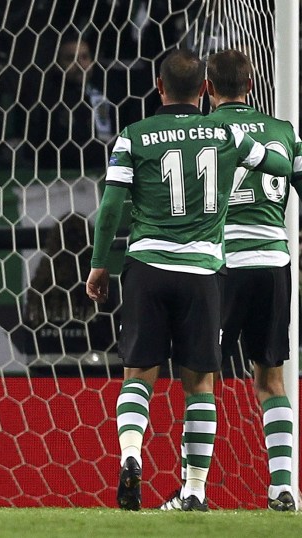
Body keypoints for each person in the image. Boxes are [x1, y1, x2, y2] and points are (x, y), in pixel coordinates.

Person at [85, 48, 292, 512]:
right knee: (200, 382)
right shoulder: (223, 133)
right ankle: (196, 489)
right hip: (202, 272)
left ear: (159, 87)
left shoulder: (133, 135)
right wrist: (271, 153)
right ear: (203, 90)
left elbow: (111, 209)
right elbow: (279, 167)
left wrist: (100, 264)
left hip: (147, 266)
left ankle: (133, 456)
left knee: (138, 375)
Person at [157, 49, 300, 513]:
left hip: (223, 263)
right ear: (253, 84)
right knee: (271, 378)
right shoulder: (284, 132)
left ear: (208, 89)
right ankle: (283, 486)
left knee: (201, 377)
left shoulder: (207, 130)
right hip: (275, 263)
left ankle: (193, 489)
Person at [21, 33, 115, 171]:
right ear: (57, 63)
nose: (80, 64)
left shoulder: (102, 95)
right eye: (71, 59)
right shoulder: (50, 100)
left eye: (84, 57)